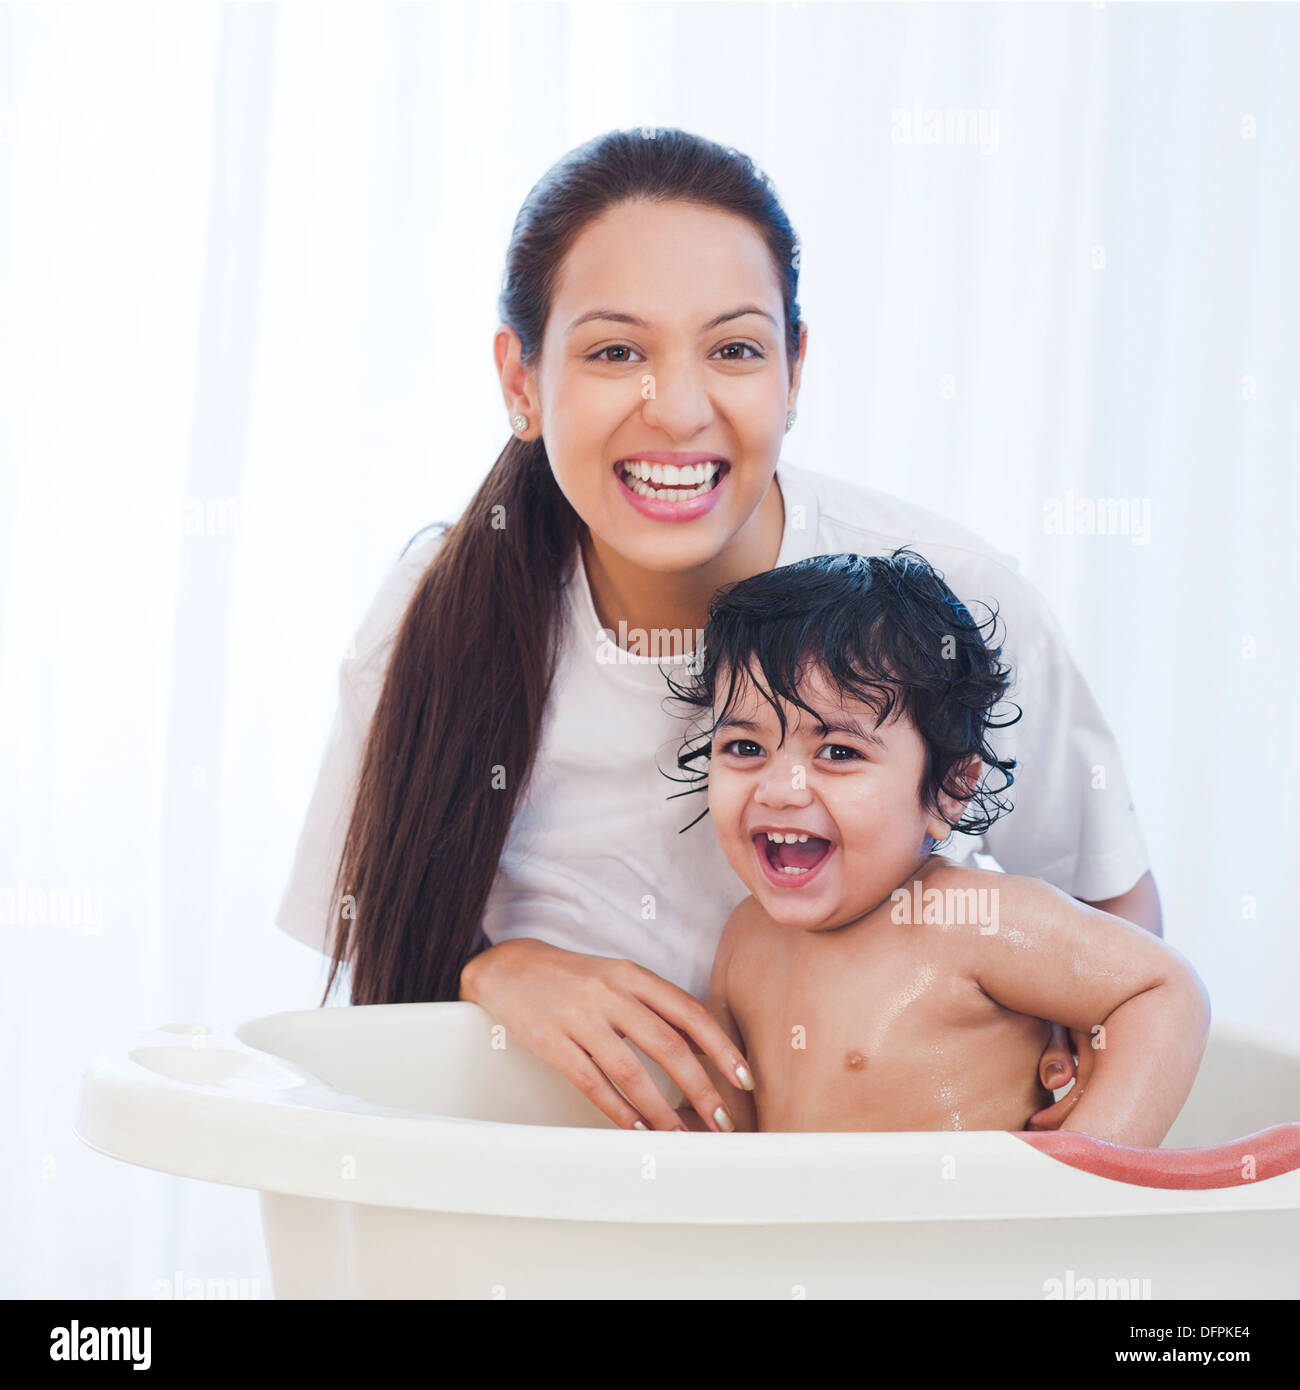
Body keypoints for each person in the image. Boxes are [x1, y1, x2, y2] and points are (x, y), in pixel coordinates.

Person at [276, 127, 1161, 1134]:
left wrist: (1055, 1148)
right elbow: (374, 977)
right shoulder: (429, 619)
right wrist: (498, 971)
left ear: (794, 368)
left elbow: (1115, 926)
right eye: (616, 351)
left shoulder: (949, 602)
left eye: (734, 348)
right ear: (520, 382)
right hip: (538, 1209)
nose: (679, 408)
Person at [662, 550, 1207, 1144]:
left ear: (949, 790)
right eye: (745, 747)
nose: (780, 790)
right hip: (809, 1236)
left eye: (839, 753)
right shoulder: (745, 938)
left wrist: (1082, 1174)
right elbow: (731, 1125)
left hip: (964, 1236)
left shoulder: (973, 920)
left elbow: (1163, 991)